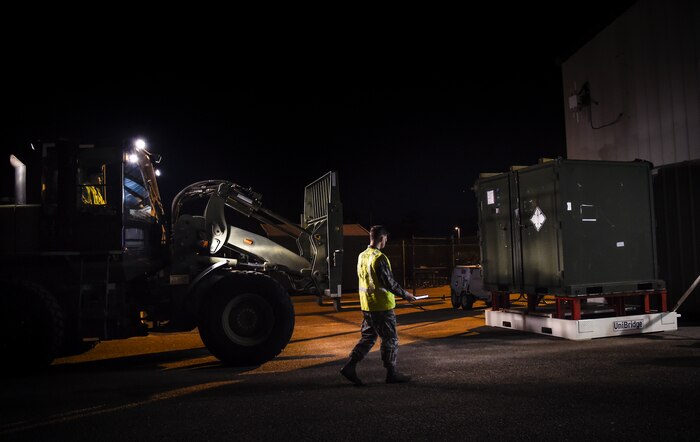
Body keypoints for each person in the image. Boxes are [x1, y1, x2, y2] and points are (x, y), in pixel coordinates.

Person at [340, 225, 416, 385]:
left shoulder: (362, 256)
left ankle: (350, 366)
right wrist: (406, 295)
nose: (386, 241)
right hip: (382, 306)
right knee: (390, 339)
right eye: (386, 238)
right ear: (382, 238)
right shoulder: (379, 258)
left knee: (368, 337)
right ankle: (392, 373)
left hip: (368, 306)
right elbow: (389, 283)